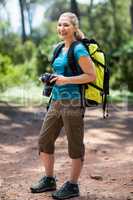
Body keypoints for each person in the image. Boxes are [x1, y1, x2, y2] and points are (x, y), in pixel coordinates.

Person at [30, 12, 96, 199]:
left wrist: (66, 80)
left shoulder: (79, 50)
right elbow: (60, 72)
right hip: (56, 101)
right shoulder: (59, 48)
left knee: (74, 144)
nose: (62, 28)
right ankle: (49, 179)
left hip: (73, 102)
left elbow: (91, 76)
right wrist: (49, 78)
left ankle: (73, 185)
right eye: (59, 25)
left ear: (74, 27)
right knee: (44, 140)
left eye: (66, 25)